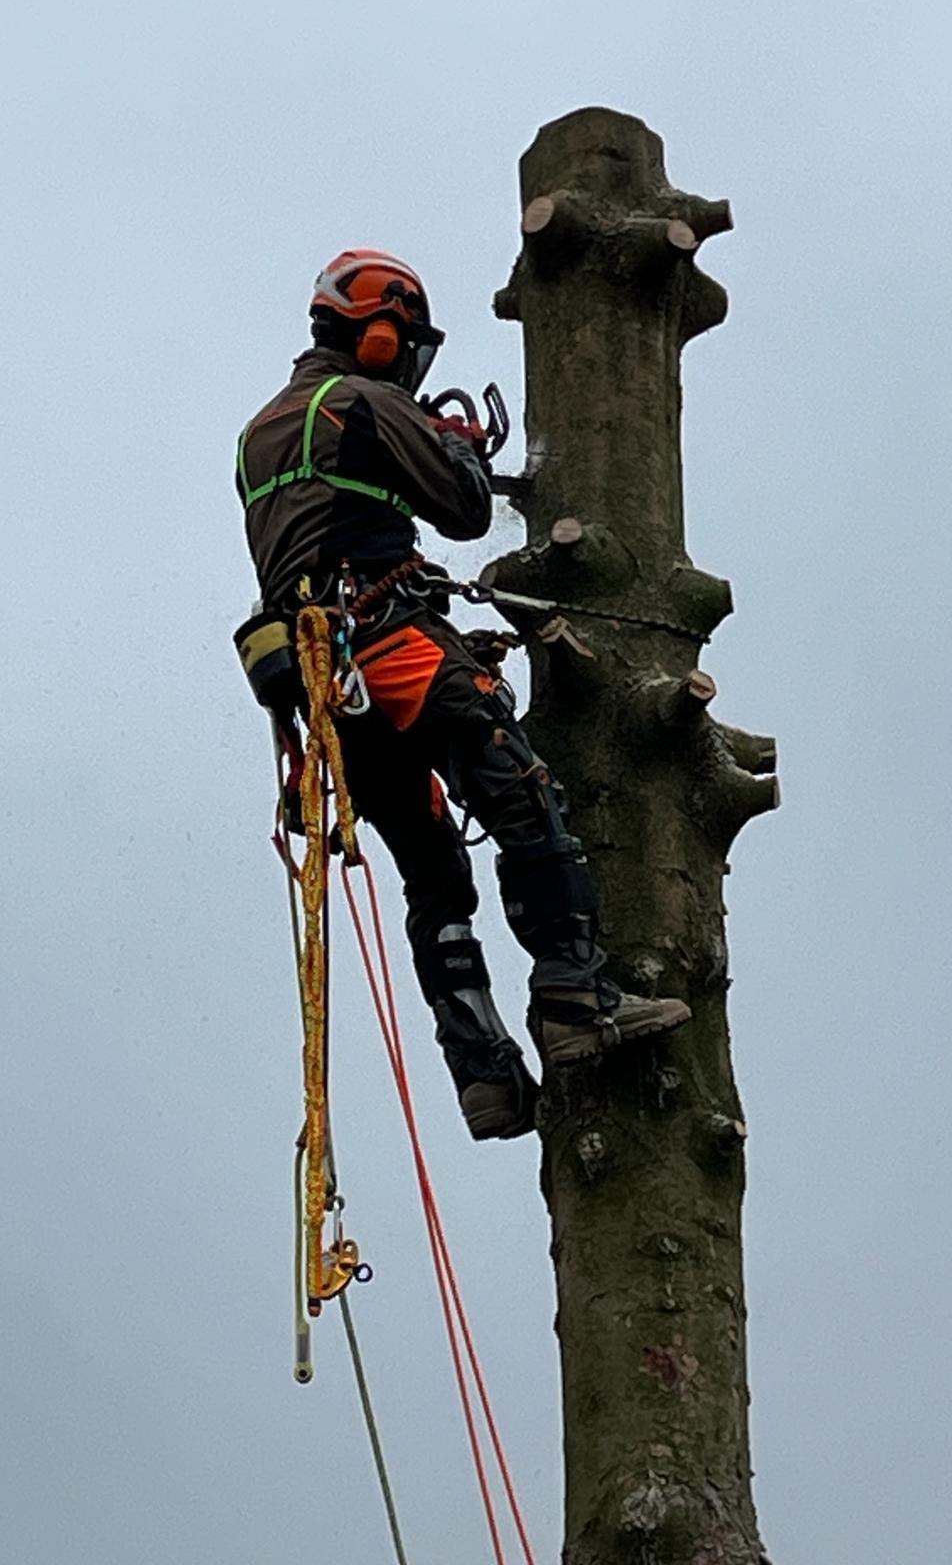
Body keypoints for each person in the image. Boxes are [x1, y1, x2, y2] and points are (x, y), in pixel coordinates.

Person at [235, 248, 688, 1141]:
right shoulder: (365, 402)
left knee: (434, 877)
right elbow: (466, 510)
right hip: (389, 641)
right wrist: (451, 448)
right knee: (523, 795)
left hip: (330, 696)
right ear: (377, 333)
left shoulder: (259, 431)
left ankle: (483, 1076)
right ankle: (576, 996)